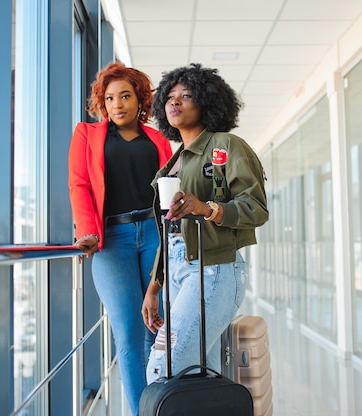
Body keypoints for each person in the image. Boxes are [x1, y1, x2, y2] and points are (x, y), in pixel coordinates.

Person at [141, 63, 268, 383]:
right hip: (178, 271)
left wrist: (207, 208)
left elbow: (256, 208)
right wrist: (155, 286)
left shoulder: (226, 146)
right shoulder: (173, 162)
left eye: (186, 95)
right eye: (170, 97)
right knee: (199, 378)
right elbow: (169, 229)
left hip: (214, 268)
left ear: (207, 102)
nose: (175, 102)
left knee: (162, 367)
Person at [68, 61, 172, 414]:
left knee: (153, 330)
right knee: (128, 332)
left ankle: (156, 405)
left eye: (125, 96)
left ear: (139, 99)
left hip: (154, 237)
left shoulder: (157, 139)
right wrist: (87, 232)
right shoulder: (87, 134)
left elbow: (171, 190)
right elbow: (80, 185)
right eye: (110, 98)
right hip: (111, 241)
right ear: (102, 103)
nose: (117, 104)